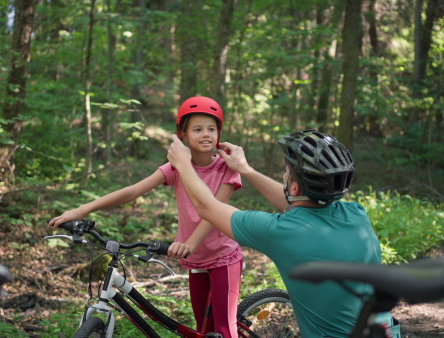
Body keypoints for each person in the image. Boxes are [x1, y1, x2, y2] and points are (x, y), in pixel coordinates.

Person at [167, 129, 400, 337]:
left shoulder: (279, 232)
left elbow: (207, 207)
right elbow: (297, 200)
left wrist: (183, 164)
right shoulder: (356, 214)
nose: (284, 175)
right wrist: (245, 170)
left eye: (287, 171)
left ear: (295, 187)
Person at [47, 96, 243, 337]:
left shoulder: (227, 168)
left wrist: (188, 244)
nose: (206, 135)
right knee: (202, 331)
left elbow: (214, 212)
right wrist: (81, 210)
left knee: (225, 330)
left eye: (212, 129)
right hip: (195, 259)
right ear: (182, 135)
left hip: (223, 256)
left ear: (220, 132)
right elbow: (133, 190)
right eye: (198, 129)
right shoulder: (176, 168)